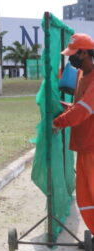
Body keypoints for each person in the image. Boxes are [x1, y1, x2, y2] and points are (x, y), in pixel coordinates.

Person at [53, 33, 94, 239]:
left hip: (92, 147)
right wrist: (60, 107)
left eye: (74, 54)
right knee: (86, 196)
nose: (71, 58)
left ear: (84, 53)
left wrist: (59, 122)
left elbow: (82, 112)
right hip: (84, 145)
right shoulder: (81, 75)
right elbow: (78, 107)